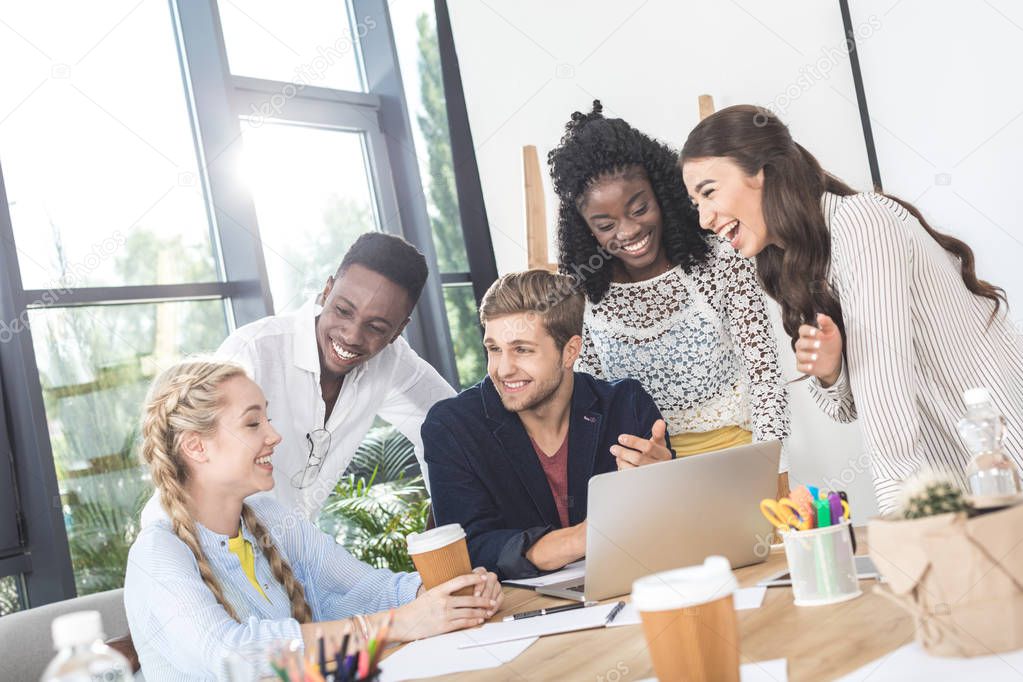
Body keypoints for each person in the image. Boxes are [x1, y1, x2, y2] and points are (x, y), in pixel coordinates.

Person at [680, 104, 1023, 514]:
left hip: (1004, 456)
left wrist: (901, 517)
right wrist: (831, 371)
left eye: (709, 192)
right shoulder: (796, 262)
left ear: (762, 172)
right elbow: (846, 408)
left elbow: (885, 393)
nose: (703, 218)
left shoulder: (861, 222)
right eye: (694, 202)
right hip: (959, 477)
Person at [124, 360, 502, 680]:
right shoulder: (158, 553)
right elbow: (233, 657)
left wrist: (449, 592)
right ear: (195, 446)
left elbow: (365, 588)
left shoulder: (269, 520)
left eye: (267, 419)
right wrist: (395, 624)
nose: (274, 435)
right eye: (253, 424)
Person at [548, 101, 791, 488]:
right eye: (605, 224)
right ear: (585, 229)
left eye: (639, 208)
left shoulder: (721, 260)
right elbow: (590, 407)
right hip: (640, 478)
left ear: (661, 193)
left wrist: (774, 471)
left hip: (737, 462)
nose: (628, 231)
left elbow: (765, 379)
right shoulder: (584, 297)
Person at [140, 232, 455, 525]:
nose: (352, 335)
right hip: (198, 542)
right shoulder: (254, 352)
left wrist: (445, 524)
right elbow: (189, 456)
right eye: (344, 311)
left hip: (287, 559)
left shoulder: (392, 360)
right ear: (327, 290)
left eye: (376, 327)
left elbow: (455, 428)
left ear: (399, 330)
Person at [423, 270, 673, 580]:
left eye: (522, 350)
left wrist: (667, 484)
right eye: (494, 349)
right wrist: (583, 537)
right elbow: (469, 549)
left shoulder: (626, 405)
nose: (503, 369)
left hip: (630, 585)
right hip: (517, 609)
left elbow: (668, 524)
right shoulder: (452, 427)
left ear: (570, 351)